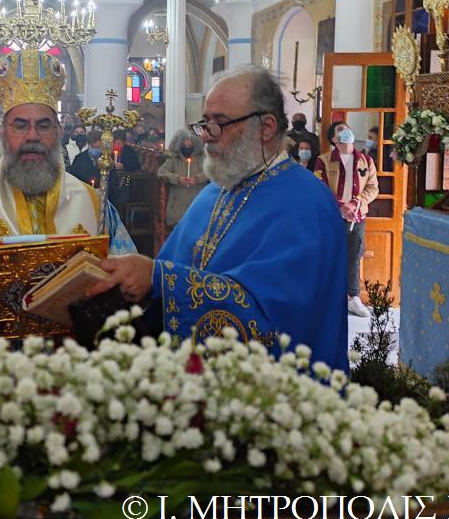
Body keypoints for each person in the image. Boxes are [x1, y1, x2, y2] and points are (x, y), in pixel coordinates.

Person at [87, 65, 348, 369]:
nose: (206, 137)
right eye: (205, 123)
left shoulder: (307, 204)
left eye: (220, 123)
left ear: (265, 127)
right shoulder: (215, 192)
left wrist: (158, 278)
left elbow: (275, 319)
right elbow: (167, 273)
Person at [0, 50, 134, 252]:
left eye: (43, 125)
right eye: (21, 125)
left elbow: (123, 274)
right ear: (4, 133)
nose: (32, 136)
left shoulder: (95, 205)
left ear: (58, 132)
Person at [314, 121, 379, 319]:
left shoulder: (365, 160)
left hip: (357, 216)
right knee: (329, 256)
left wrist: (355, 203)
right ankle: (328, 298)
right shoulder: (323, 160)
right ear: (334, 139)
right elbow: (319, 187)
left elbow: (373, 188)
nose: (347, 131)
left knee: (353, 257)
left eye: (347, 127)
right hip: (331, 217)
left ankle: (354, 298)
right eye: (341, 130)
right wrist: (341, 205)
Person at [157, 130, 209, 230]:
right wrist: (177, 179)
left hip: (197, 200)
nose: (187, 148)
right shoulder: (174, 159)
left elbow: (210, 172)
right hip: (178, 205)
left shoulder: (201, 158)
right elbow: (161, 172)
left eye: (190, 145)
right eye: (184, 145)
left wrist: (197, 178)